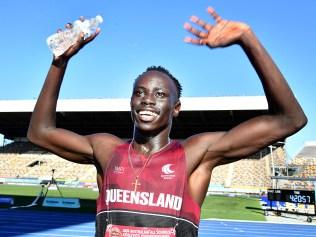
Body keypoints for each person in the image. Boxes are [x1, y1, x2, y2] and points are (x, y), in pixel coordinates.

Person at [27, 6, 307, 237]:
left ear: (176, 108)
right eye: (140, 92)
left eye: (160, 94)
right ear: (131, 102)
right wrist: (59, 62)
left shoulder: (195, 153)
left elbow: (289, 119)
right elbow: (40, 133)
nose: (148, 99)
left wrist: (247, 38)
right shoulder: (106, 150)